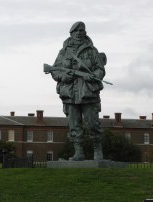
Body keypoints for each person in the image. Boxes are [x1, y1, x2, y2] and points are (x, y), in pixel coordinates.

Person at [50, 21, 106, 161]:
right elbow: (54, 70)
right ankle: (78, 152)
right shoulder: (63, 52)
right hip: (69, 93)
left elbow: (100, 69)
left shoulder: (92, 51)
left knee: (93, 123)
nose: (80, 33)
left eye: (82, 30)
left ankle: (97, 150)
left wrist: (96, 75)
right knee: (74, 125)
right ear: (71, 33)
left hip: (88, 92)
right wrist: (64, 76)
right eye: (77, 30)